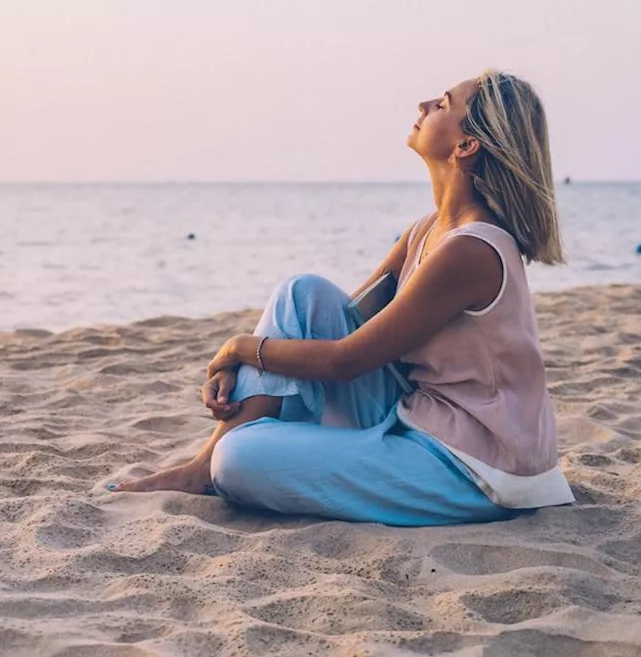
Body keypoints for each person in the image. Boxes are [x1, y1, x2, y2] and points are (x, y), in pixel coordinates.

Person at [108, 69, 576, 526]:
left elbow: (344, 361)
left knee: (238, 459)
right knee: (301, 294)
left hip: (476, 466)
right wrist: (252, 366)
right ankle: (201, 467)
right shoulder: (426, 231)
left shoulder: (472, 249)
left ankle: (218, 461)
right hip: (419, 415)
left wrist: (237, 349)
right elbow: (339, 323)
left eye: (443, 104)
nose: (424, 105)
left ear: (466, 146)